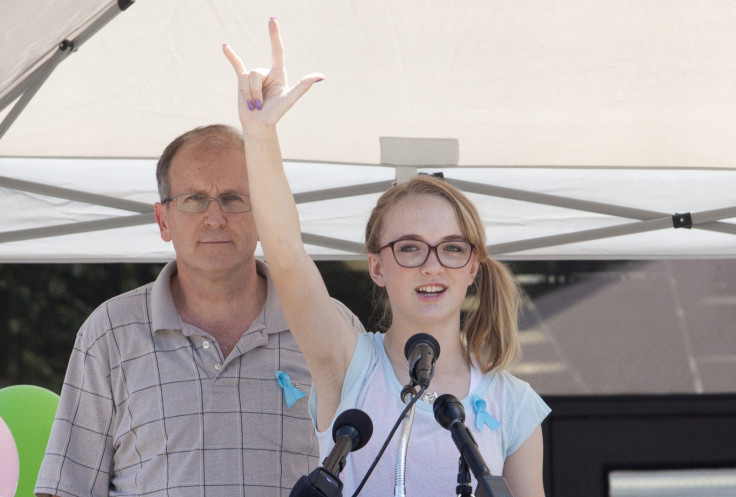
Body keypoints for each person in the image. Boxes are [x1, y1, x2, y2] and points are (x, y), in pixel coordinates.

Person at [223, 18, 550, 497]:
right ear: (377, 266)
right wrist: (259, 134)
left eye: (452, 248)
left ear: (473, 269)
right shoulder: (348, 364)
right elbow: (288, 257)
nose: (433, 265)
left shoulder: (513, 403)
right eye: (411, 248)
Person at [35, 124, 363, 497]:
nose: (215, 217)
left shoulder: (330, 326)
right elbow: (65, 488)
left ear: (264, 214)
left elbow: (374, 475)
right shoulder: (110, 333)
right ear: (163, 220)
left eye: (234, 198)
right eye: (194, 198)